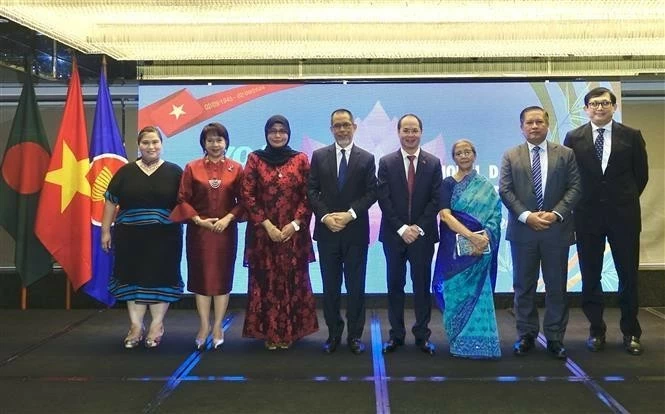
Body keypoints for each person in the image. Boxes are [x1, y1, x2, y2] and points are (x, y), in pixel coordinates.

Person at [563, 87, 649, 356]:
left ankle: (631, 332)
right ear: (586, 109)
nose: (599, 108)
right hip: (587, 216)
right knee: (590, 275)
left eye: (604, 103)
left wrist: (621, 200)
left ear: (613, 106)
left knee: (627, 275)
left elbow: (641, 176)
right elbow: (570, 177)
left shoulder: (632, 136)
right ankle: (596, 330)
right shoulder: (573, 137)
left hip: (624, 216)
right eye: (593, 104)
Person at [499, 106, 581, 360]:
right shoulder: (511, 155)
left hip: (556, 230)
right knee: (524, 286)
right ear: (521, 127)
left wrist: (555, 214)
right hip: (523, 231)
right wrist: (527, 216)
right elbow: (505, 190)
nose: (534, 126)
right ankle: (526, 335)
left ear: (547, 125)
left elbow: (575, 187)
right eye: (529, 123)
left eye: (539, 122)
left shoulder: (565, 154)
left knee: (556, 287)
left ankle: (555, 337)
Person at [101, 126, 183, 349]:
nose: (151, 147)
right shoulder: (125, 172)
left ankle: (157, 325)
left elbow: (185, 204)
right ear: (139, 145)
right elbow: (110, 201)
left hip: (165, 239)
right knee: (132, 279)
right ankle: (135, 326)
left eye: (155, 142)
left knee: (160, 278)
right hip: (130, 238)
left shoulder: (175, 172)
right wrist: (106, 231)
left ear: (162, 144)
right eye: (146, 142)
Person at [241, 115, 318, 350]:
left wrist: (294, 225)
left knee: (292, 281)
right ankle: (270, 333)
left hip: (294, 234)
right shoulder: (255, 159)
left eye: (282, 130)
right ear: (266, 133)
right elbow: (248, 195)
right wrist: (268, 225)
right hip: (263, 235)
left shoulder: (301, 159)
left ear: (288, 133)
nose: (277, 135)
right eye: (273, 131)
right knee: (265, 282)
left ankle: (291, 333)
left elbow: (309, 195)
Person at [308, 108, 377, 355]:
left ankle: (355, 336)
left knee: (356, 287)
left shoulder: (367, 158)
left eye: (346, 125)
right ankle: (334, 334)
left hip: (355, 232)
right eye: (337, 125)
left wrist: (349, 214)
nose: (342, 129)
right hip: (327, 233)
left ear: (354, 127)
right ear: (331, 129)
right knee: (330, 287)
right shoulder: (318, 156)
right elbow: (311, 190)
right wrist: (326, 216)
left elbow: (372, 193)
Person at [170, 122, 244, 350]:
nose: (215, 144)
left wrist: (227, 219)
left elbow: (244, 201)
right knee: (201, 280)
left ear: (226, 142)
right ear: (204, 143)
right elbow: (182, 199)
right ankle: (203, 325)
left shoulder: (237, 168)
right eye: (210, 140)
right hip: (199, 232)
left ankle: (218, 325)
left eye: (219, 140)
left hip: (225, 232)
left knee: (222, 281)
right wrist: (198, 220)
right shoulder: (192, 167)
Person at [378, 113, 442, 356]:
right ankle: (396, 335)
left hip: (423, 236)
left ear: (421, 132)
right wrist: (402, 228)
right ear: (398, 132)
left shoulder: (433, 163)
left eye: (414, 130)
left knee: (421, 285)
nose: (410, 134)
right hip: (394, 236)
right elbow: (384, 199)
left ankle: (422, 335)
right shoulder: (386, 162)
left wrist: (418, 228)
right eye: (406, 130)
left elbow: (436, 200)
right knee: (395, 285)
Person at [432, 139, 502, 359]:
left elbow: (495, 216)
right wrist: (471, 236)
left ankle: (483, 344)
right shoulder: (447, 184)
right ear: (454, 158)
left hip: (480, 251)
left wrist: (485, 238)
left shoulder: (486, 186)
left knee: (479, 295)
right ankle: (458, 342)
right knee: (453, 293)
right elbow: (445, 215)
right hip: (454, 250)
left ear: (474, 155)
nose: (463, 156)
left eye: (467, 152)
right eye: (459, 153)